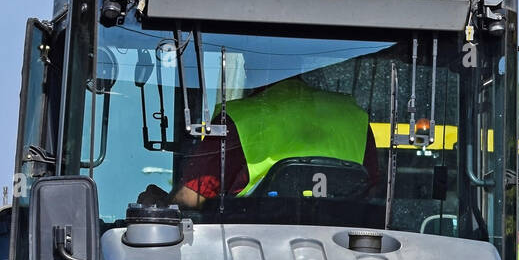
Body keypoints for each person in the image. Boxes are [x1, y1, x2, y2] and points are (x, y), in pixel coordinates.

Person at [139, 76, 379, 209]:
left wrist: (160, 205)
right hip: (342, 255)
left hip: (251, 255)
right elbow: (374, 196)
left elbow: (191, 200)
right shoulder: (353, 119)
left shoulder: (239, 119)